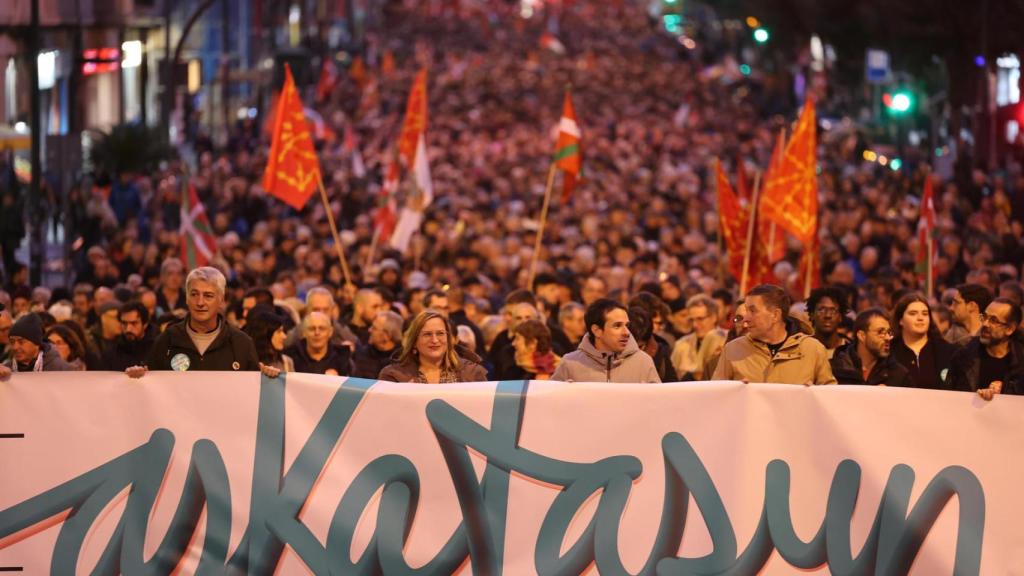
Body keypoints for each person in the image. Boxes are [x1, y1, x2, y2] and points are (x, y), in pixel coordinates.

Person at [128, 267, 266, 376]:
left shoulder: (241, 344)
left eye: (208, 296)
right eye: (194, 295)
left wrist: (270, 377)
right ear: (187, 298)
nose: (200, 302)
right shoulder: (167, 339)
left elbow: (254, 395)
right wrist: (138, 376)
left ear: (221, 300)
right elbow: (150, 388)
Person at [712, 284, 836, 385]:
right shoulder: (732, 350)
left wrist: (814, 395)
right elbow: (716, 397)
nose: (746, 318)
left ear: (775, 315)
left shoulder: (813, 349)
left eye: (752, 311)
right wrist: (735, 394)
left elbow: (829, 400)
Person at [551, 298, 660, 383]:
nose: (626, 332)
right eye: (617, 326)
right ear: (597, 330)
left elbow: (658, 405)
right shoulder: (570, 363)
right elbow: (552, 405)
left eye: (627, 325)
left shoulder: (644, 362)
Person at [378, 309, 488, 383]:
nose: (435, 340)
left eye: (440, 333)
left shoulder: (473, 373)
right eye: (427, 334)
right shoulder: (393, 376)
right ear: (414, 341)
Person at [947, 298, 1024, 399]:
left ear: (1009, 329)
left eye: (993, 320)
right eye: (985, 317)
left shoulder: (1021, 359)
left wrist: (1004, 390)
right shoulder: (962, 356)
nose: (985, 324)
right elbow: (950, 397)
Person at [890, 293, 958, 389]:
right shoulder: (889, 352)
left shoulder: (948, 351)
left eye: (925, 314)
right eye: (913, 314)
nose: (920, 318)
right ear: (900, 320)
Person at [830, 308, 910, 386]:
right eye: (880, 332)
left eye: (889, 332)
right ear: (862, 336)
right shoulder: (835, 369)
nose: (887, 338)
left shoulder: (899, 374)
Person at [671, 295, 727, 381]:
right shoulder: (681, 345)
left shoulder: (727, 341)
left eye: (700, 319)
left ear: (714, 317)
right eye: (692, 320)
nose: (695, 325)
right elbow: (672, 381)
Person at [2, 313, 73, 372]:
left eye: (21, 342)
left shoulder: (61, 369)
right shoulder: (6, 371)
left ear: (36, 343)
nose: (15, 347)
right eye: (12, 342)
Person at [287, 311, 353, 375]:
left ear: (330, 332)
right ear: (304, 332)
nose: (317, 333)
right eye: (312, 329)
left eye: (322, 328)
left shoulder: (343, 358)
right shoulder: (290, 357)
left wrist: (338, 380)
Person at [102, 301, 156, 371]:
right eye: (124, 323)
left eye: (134, 323)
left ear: (145, 324)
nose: (128, 329)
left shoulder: (157, 350)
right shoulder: (111, 354)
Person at [243, 306, 295, 372]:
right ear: (265, 334)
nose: (284, 336)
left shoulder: (287, 362)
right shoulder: (247, 363)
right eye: (279, 331)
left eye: (283, 331)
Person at [352, 310, 404, 378]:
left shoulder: (403, 360)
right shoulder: (361, 355)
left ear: (387, 336)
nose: (369, 330)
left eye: (374, 328)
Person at [807, 286, 851, 358]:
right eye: (821, 309)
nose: (827, 315)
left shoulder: (852, 352)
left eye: (833, 310)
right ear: (812, 314)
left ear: (840, 316)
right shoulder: (802, 349)